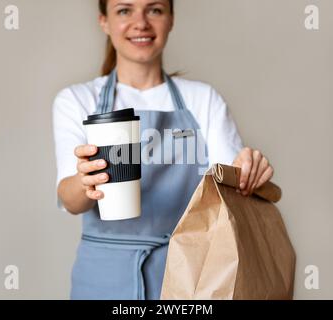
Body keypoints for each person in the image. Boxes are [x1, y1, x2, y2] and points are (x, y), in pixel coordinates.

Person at [52, 0, 274, 300]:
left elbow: (229, 186)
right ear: (104, 21)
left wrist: (248, 171)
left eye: (154, 9)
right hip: (103, 277)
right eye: (124, 10)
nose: (141, 22)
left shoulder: (203, 100)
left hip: (190, 272)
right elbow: (70, 198)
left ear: (171, 19)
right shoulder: (78, 100)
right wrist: (84, 182)